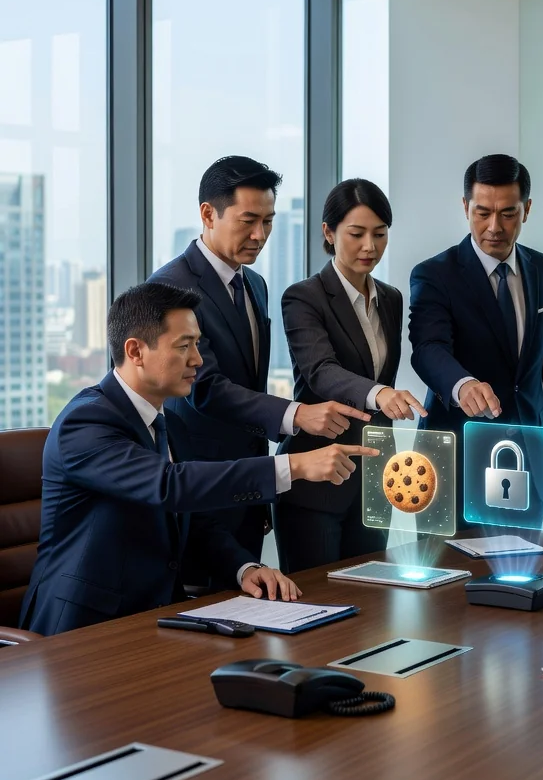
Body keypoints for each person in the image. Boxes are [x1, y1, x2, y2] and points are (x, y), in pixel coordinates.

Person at [20, 283, 377, 636]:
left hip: (153, 620)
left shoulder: (169, 425)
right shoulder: (85, 423)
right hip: (82, 629)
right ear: (135, 351)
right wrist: (294, 466)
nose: (198, 359)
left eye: (196, 343)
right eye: (184, 345)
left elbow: (198, 522)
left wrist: (244, 568)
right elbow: (170, 486)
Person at [150, 156, 365, 569]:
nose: (259, 234)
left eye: (268, 222)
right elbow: (205, 387)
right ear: (208, 214)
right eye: (248, 221)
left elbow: (248, 380)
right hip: (201, 483)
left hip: (251, 484)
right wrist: (296, 414)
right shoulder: (170, 286)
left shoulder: (255, 284)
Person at [409, 154, 543, 518]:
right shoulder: (435, 274)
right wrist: (462, 385)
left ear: (526, 209)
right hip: (453, 458)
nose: (494, 226)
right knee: (446, 573)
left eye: (508, 213)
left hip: (529, 456)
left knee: (525, 569)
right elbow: (428, 348)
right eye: (482, 212)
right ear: (465, 207)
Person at [276, 180, 426, 573]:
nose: (369, 247)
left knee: (372, 606)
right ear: (329, 232)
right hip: (315, 484)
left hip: (374, 480)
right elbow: (320, 371)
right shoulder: (303, 297)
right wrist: (378, 394)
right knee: (316, 608)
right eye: (356, 234)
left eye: (379, 234)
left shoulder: (390, 298)